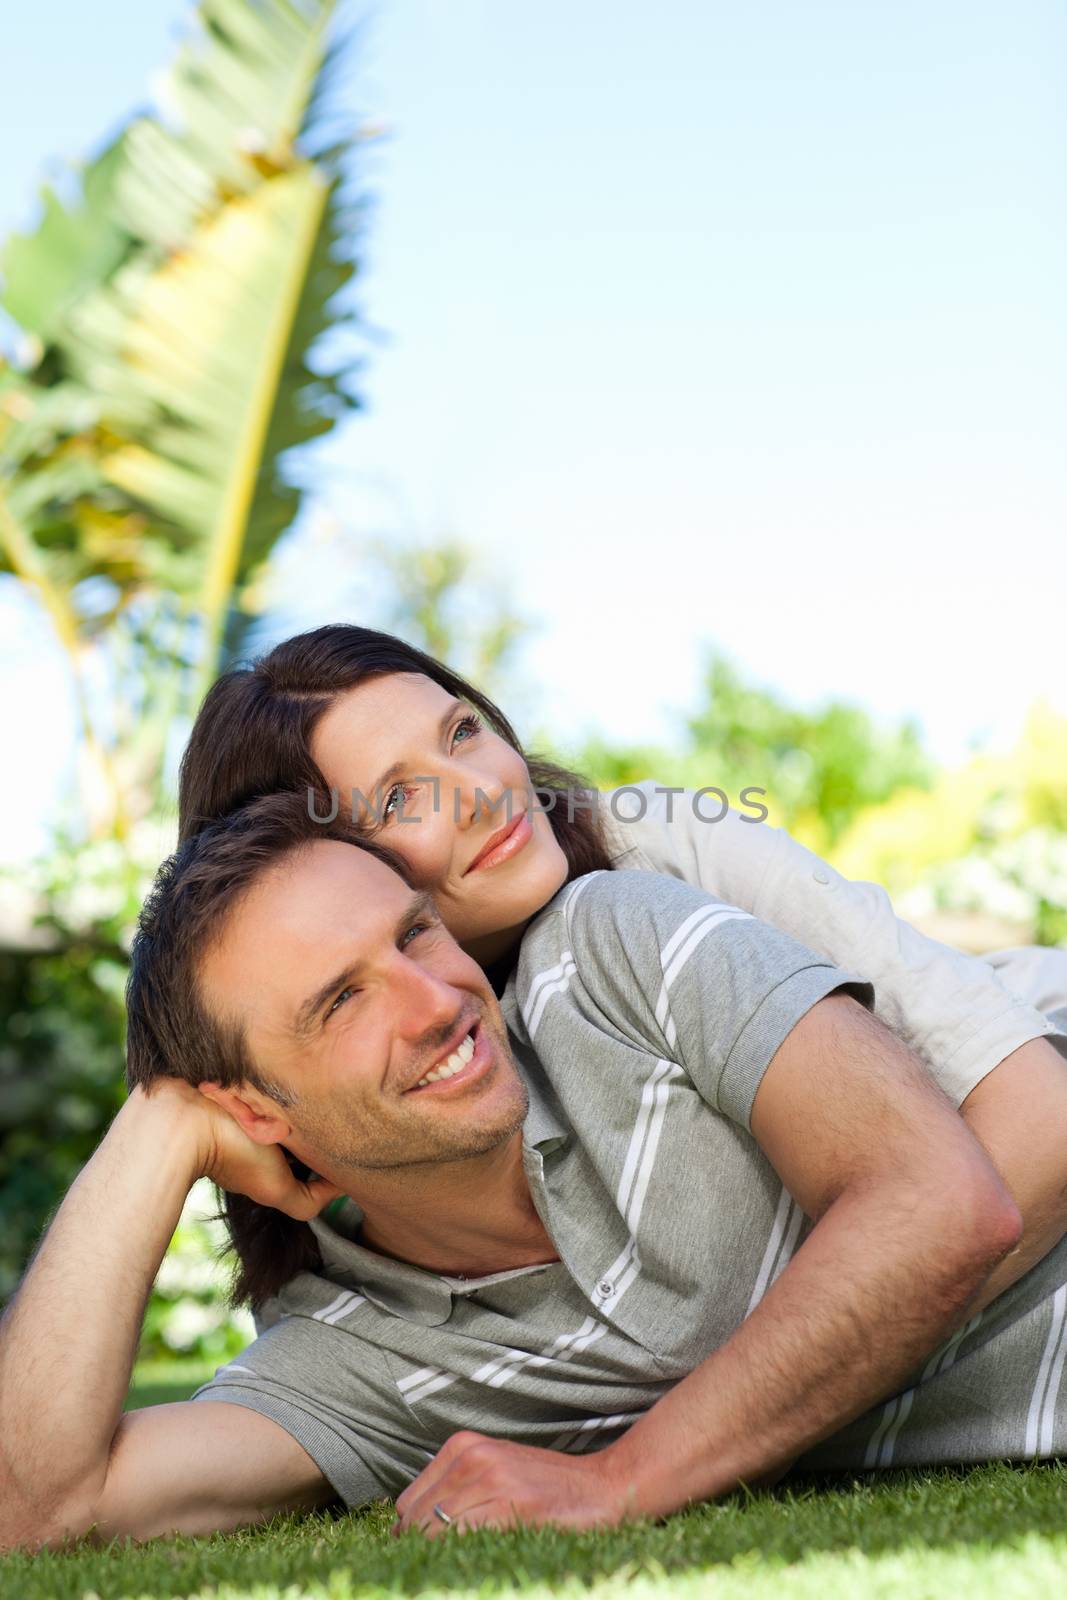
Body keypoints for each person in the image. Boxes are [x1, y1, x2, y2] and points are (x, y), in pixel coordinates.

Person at [5, 790, 1063, 1551]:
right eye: (341, 1001)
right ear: (251, 1108)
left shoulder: (611, 948)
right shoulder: (355, 1356)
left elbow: (941, 1199)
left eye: (414, 934)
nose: (434, 1002)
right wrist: (157, 1130)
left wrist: (625, 1476)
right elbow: (33, 1505)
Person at [175, 625, 1067, 1287]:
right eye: (403, 795)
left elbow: (1040, 1120)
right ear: (310, 868)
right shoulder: (388, 1078)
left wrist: (768, 1394)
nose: (486, 790)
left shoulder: (661, 844)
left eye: (461, 734)